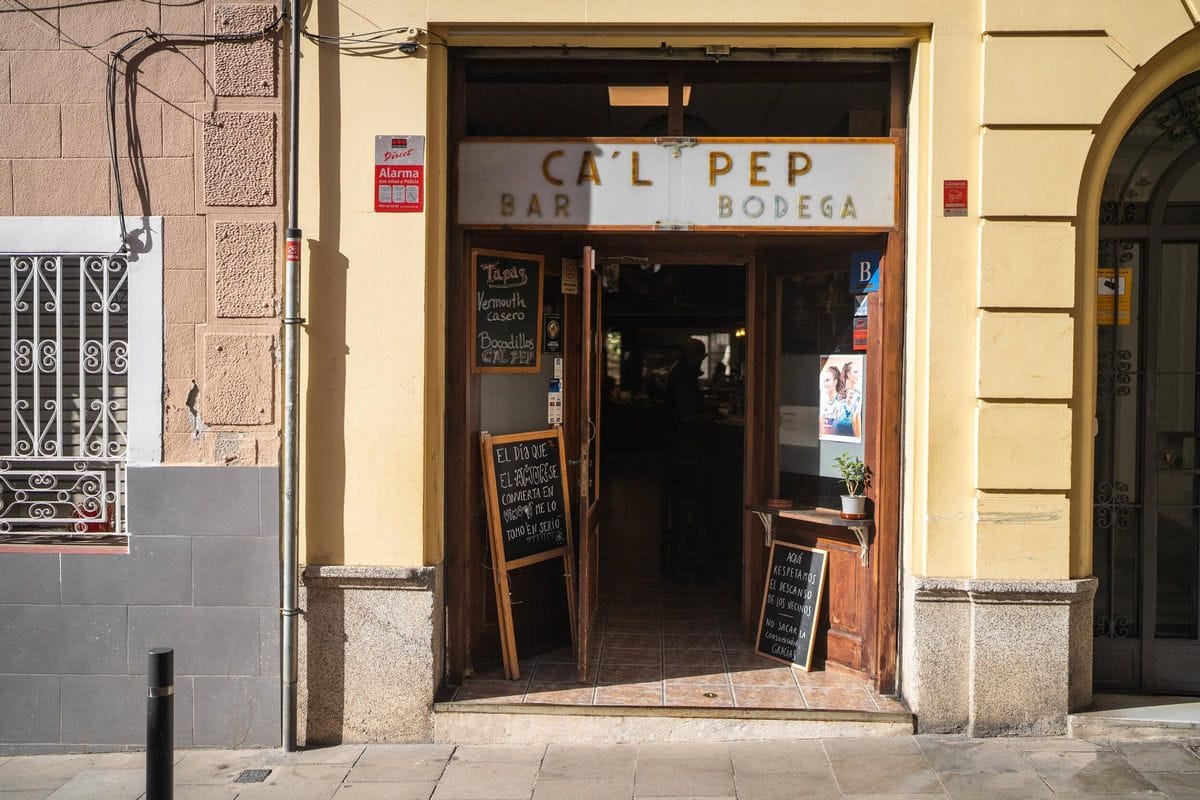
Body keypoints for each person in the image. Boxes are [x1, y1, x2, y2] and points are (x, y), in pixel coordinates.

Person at [838, 359, 862, 439]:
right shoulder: (839, 395)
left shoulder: (858, 395)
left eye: (858, 372)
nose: (858, 375)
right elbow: (855, 419)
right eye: (855, 372)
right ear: (848, 374)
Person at [818, 364, 844, 437]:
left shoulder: (841, 402)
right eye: (824, 381)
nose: (825, 384)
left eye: (827, 380)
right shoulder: (825, 404)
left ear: (835, 382)